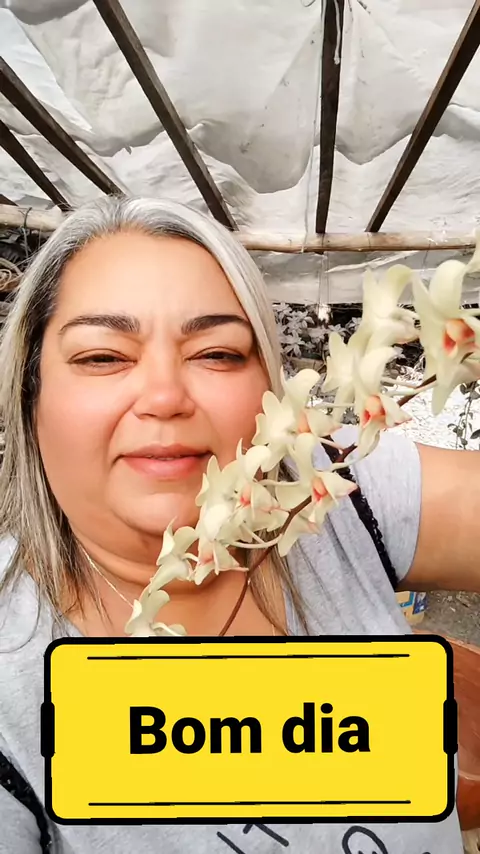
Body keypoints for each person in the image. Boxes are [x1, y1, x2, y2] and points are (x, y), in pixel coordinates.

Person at [0, 196, 477, 854]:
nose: (164, 397)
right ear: (31, 396)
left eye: (218, 353)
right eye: (103, 357)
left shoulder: (336, 482)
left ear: (268, 391)